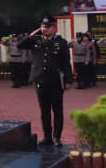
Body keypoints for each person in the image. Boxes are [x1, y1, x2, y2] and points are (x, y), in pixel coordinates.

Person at [18, 15, 72, 147]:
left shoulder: (62, 42)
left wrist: (69, 80)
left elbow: (66, 63)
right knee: (44, 111)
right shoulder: (35, 41)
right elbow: (20, 45)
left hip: (55, 81)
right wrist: (32, 34)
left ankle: (57, 138)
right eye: (42, 26)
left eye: (47, 27)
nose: (44, 29)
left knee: (58, 111)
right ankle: (47, 137)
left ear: (53, 28)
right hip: (40, 80)